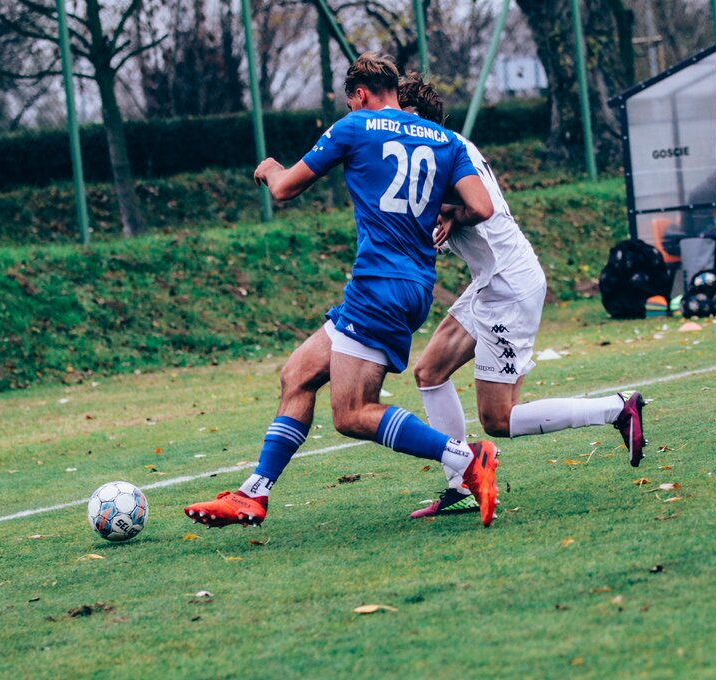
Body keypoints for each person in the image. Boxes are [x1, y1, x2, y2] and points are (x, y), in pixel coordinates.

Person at [183, 53, 502, 528]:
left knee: (352, 414)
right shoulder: (445, 139)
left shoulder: (355, 126)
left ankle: (466, 457)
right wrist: (451, 214)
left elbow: (285, 189)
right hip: (413, 285)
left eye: (351, 101)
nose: (352, 108)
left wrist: (269, 168)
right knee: (298, 374)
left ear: (361, 95)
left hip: (378, 287)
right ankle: (254, 494)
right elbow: (481, 206)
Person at [398, 73, 647, 517]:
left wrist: (452, 212)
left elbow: (482, 207)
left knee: (498, 419)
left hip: (508, 290)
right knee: (430, 371)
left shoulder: (441, 149)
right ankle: (462, 482)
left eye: (398, 117)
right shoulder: (437, 149)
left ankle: (616, 409)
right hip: (492, 281)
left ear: (417, 118)